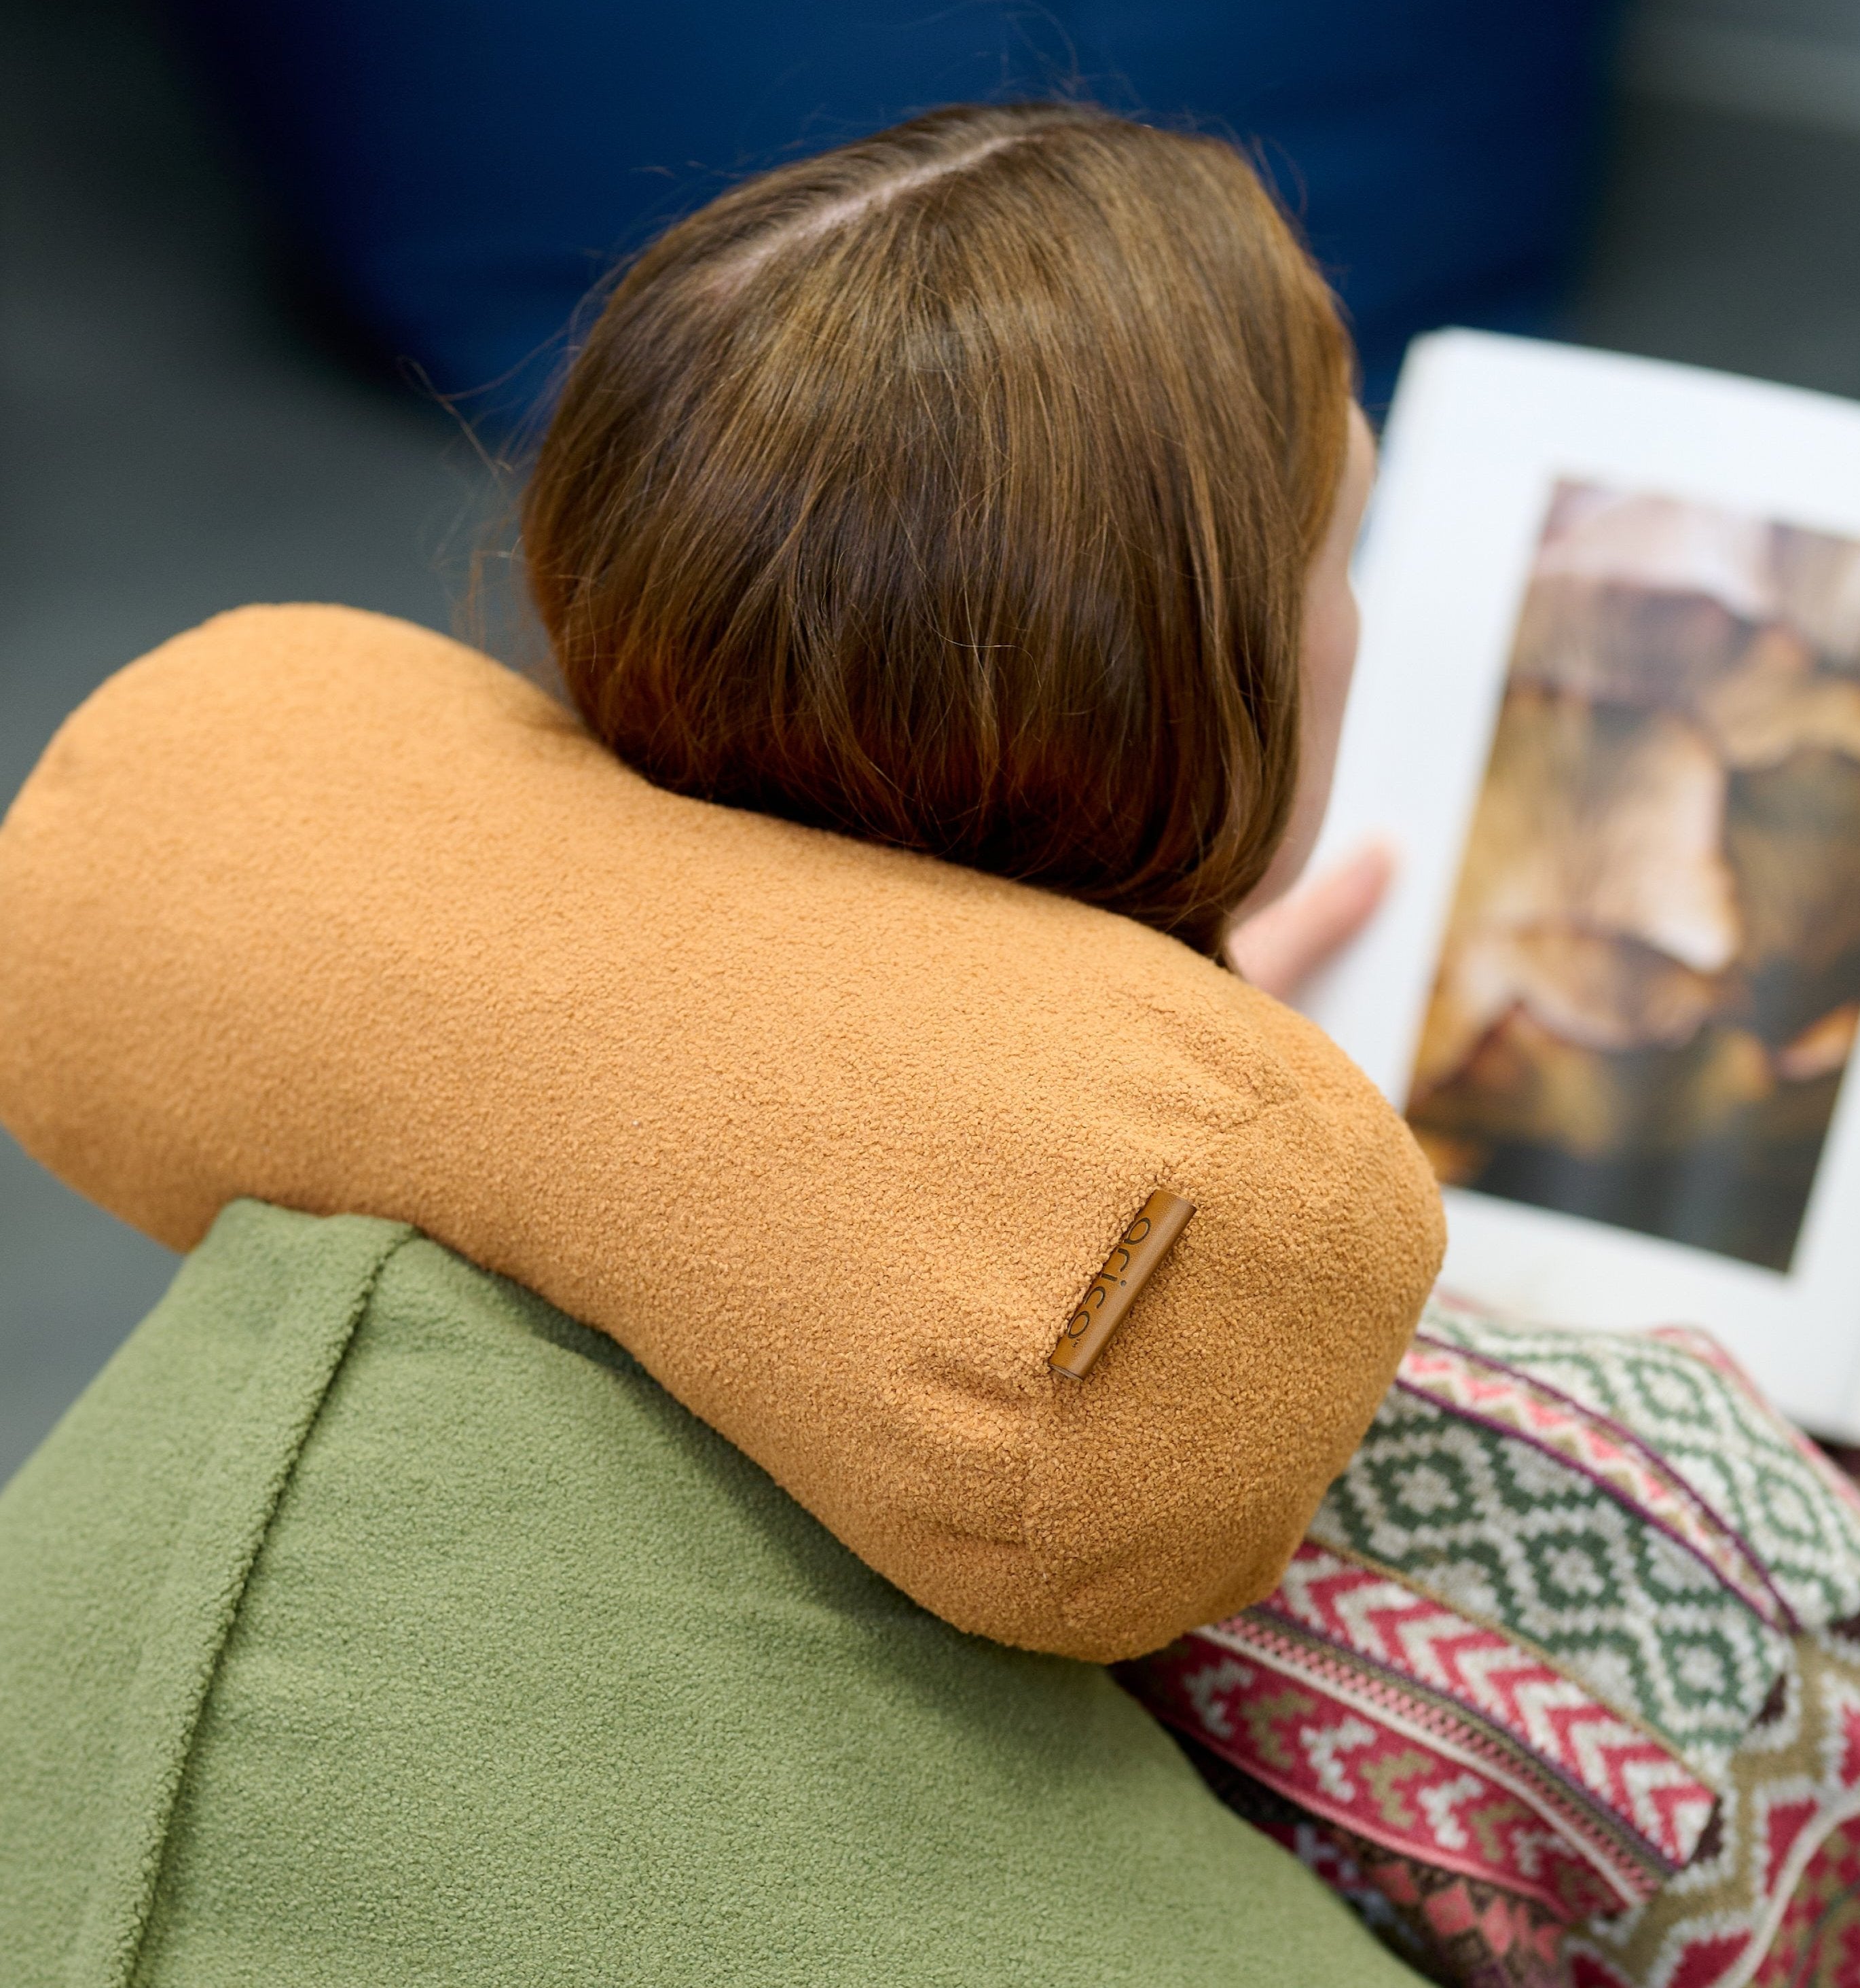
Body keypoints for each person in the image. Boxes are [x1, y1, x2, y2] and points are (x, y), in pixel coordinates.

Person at [0, 103, 1428, 1984]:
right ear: (1230, 701)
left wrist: (1173, 1042)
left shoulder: (386, 1097)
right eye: (1348, 550)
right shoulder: (1585, 1487)